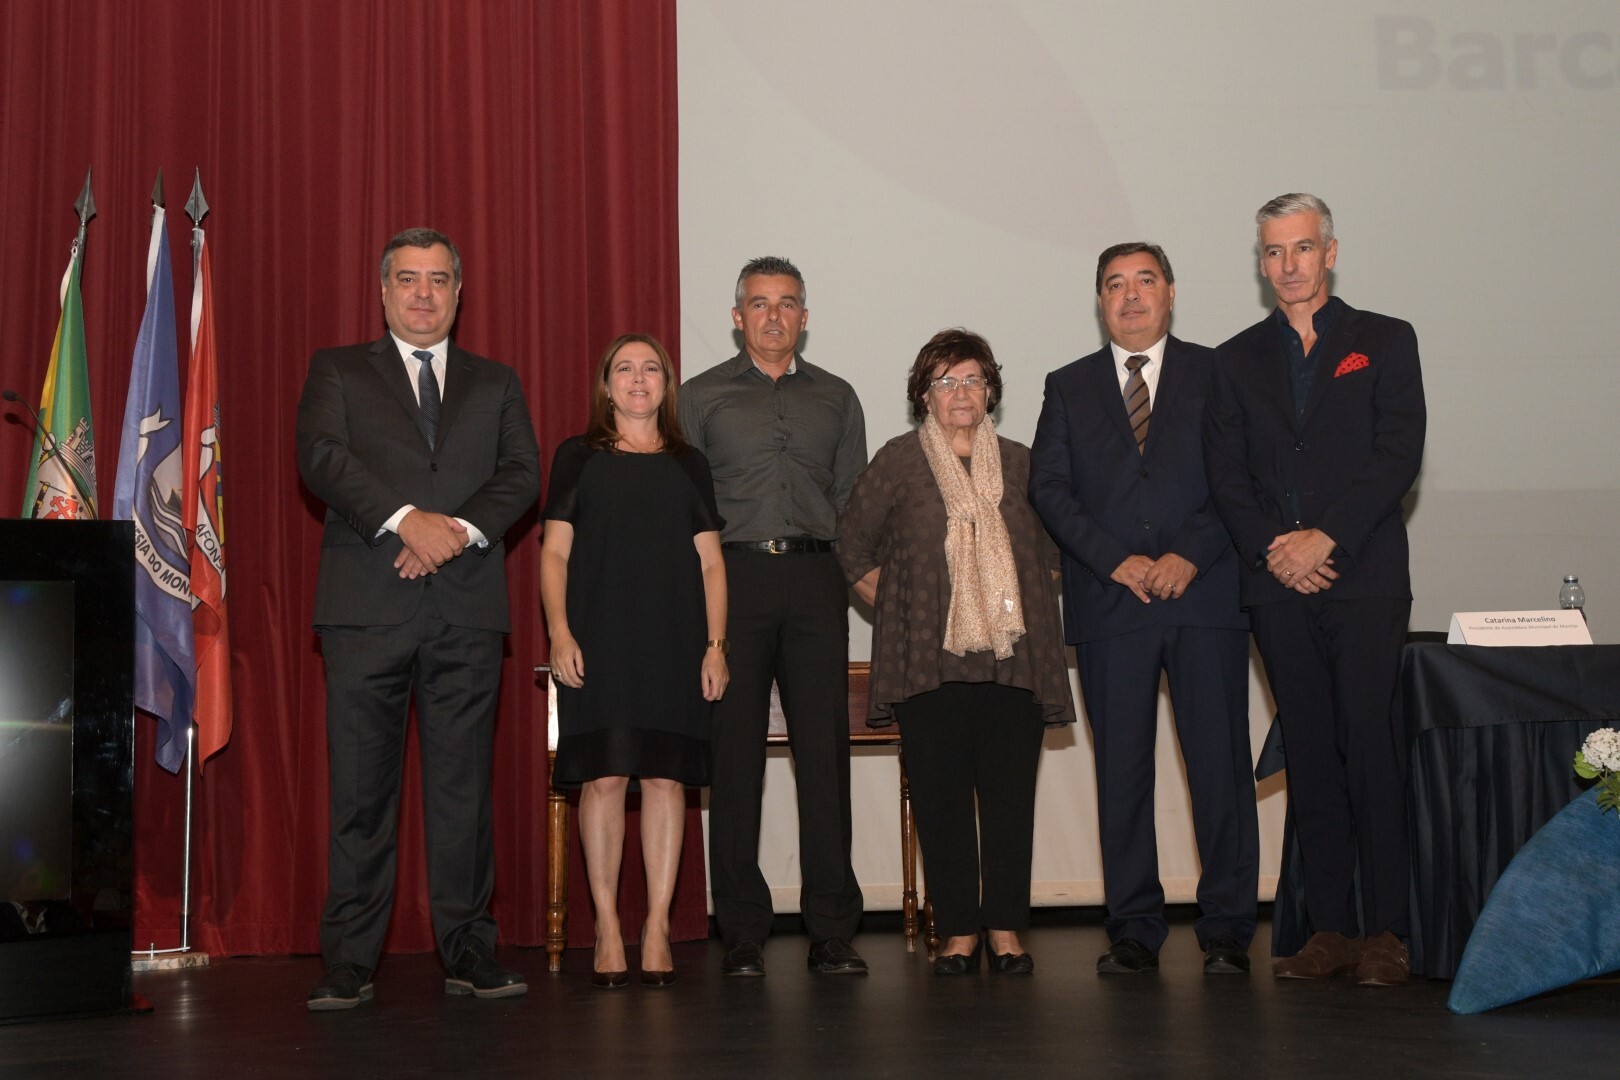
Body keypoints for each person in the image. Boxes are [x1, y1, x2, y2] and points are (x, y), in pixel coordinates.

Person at [295, 227, 540, 1009]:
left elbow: (521, 474)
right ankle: (349, 961)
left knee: (463, 795)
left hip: (465, 612)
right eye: (408, 279)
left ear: (460, 293)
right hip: (365, 612)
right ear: (383, 291)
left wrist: (453, 533)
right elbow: (321, 457)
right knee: (360, 795)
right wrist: (407, 521)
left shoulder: (496, 381)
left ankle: (470, 951)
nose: (424, 293)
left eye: (438, 279)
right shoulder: (337, 370)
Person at [1203, 194, 1426, 986]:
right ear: (1261, 263)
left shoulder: (1385, 339)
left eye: (1301, 248)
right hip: (1276, 585)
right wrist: (1278, 550)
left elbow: (1398, 453)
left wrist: (1326, 538)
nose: (1288, 264)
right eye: (1274, 252)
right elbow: (1225, 474)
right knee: (1311, 752)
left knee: (1370, 747)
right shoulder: (1233, 359)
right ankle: (1330, 928)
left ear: (1329, 252)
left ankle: (1389, 932)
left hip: (1363, 579)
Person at [1030, 243, 1259, 976]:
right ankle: (1133, 927)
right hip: (1111, 605)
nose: (1130, 296)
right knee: (1122, 775)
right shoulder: (1067, 386)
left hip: (1204, 596)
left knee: (1219, 770)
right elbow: (1049, 488)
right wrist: (1115, 560)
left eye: (1145, 281)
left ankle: (1228, 928)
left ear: (1171, 293)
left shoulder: (1217, 373)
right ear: (1100, 301)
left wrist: (1190, 553)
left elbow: (1243, 476)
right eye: (1114, 285)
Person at [838, 328, 1075, 975]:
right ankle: (960, 933)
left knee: (1009, 802)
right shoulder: (896, 462)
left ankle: (1005, 930)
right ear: (925, 395)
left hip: (1013, 662)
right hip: (927, 664)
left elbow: (1058, 551)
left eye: (972, 379)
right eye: (946, 381)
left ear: (990, 390)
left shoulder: (1024, 465)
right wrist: (902, 606)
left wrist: (1010, 599)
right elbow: (851, 546)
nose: (961, 392)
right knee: (940, 803)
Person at [678, 256, 869, 976]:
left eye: (787, 303)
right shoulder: (699, 397)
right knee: (734, 757)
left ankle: (832, 928)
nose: (773, 316)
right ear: (737, 317)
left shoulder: (839, 398)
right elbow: (684, 509)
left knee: (824, 754)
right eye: (759, 304)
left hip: (819, 579)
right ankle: (742, 931)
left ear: (804, 317)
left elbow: (852, 501)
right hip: (734, 581)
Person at [539, 333, 729, 989]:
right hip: (599, 641)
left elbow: (712, 564)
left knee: (668, 781)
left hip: (676, 644)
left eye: (651, 368)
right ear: (607, 384)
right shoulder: (577, 457)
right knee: (605, 779)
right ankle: (605, 926)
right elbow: (554, 554)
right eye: (625, 368)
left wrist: (715, 646)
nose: (639, 378)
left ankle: (655, 927)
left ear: (667, 384)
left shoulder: (689, 463)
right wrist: (559, 633)